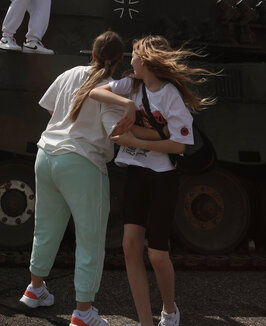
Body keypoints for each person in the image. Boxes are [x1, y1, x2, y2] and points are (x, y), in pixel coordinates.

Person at [89, 35, 215, 326]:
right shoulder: (132, 85)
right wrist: (127, 105)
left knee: (158, 256)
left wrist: (135, 139)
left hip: (162, 178)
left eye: (133, 55)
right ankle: (146, 321)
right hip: (136, 172)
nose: (130, 60)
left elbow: (179, 146)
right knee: (130, 247)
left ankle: (169, 310)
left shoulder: (169, 94)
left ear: (143, 61)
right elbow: (96, 92)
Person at [19, 31, 125, 326]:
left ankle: (35, 289)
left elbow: (53, 108)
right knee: (90, 239)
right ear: (119, 60)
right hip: (82, 163)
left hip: (47, 155)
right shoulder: (109, 89)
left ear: (92, 53)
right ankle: (82, 312)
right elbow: (113, 132)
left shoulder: (70, 73)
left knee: (46, 227)